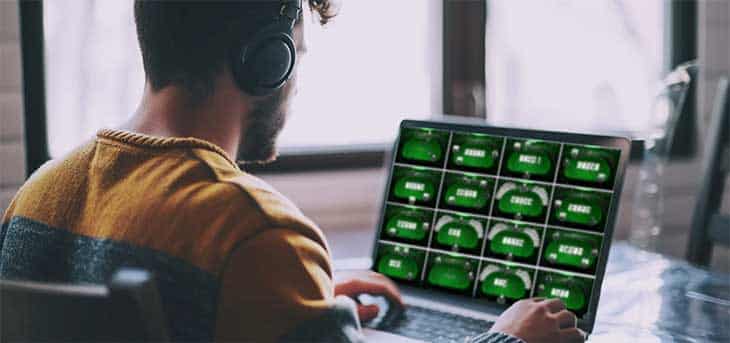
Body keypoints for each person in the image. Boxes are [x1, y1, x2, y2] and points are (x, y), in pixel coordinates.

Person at [0, 1, 583, 342]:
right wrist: (510, 338)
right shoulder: (256, 235)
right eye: (296, 55)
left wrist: (299, 299)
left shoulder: (34, 197)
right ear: (267, 61)